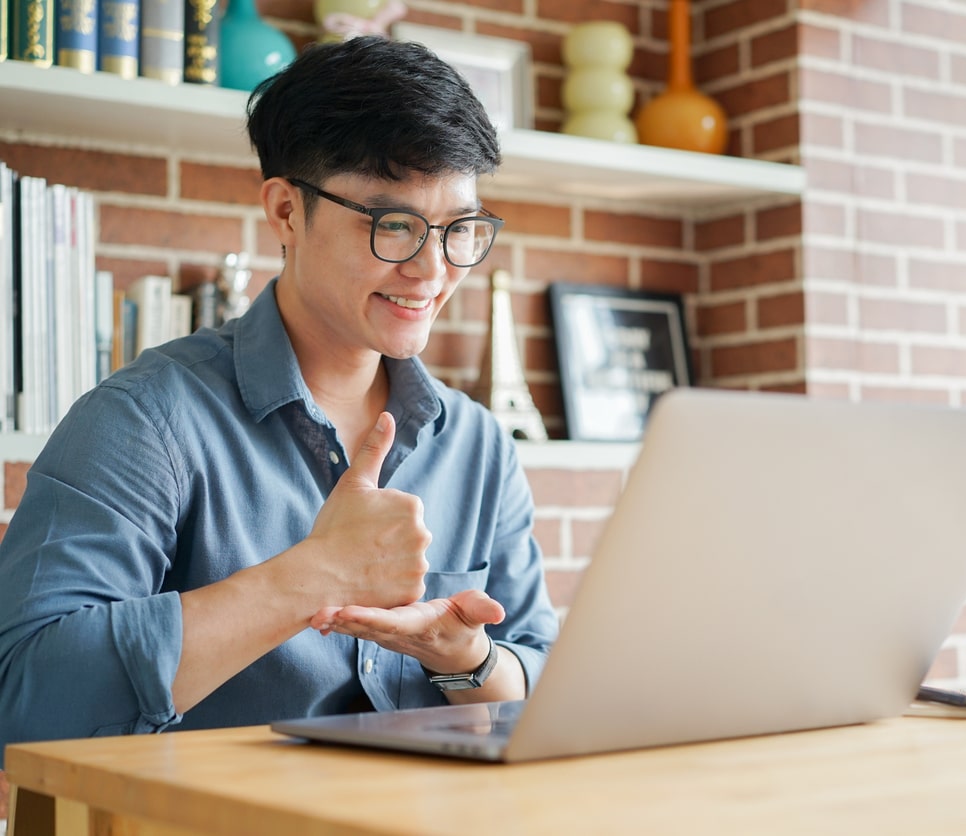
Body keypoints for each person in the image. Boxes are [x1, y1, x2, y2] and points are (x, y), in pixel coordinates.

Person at [0, 36, 559, 766]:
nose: (432, 269)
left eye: (460, 230)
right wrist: (310, 576)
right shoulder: (144, 419)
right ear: (287, 211)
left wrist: (467, 657)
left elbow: (542, 683)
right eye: (393, 226)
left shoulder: (479, 444)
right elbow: (23, 703)